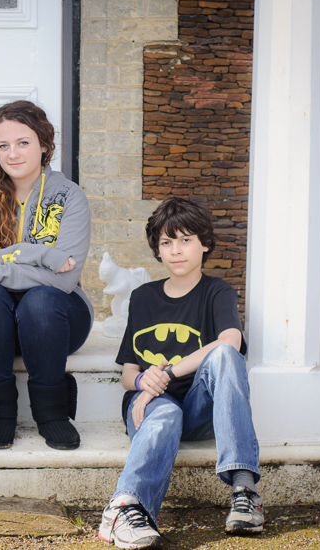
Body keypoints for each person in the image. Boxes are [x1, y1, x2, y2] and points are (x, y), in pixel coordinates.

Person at [98, 197, 263, 549]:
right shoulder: (143, 297)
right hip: (151, 405)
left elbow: (230, 342)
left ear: (205, 244)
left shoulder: (217, 292)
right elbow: (128, 373)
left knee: (225, 355)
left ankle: (244, 491)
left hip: (199, 406)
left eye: (186, 240)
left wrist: (167, 374)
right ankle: (125, 508)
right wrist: (143, 381)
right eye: (166, 242)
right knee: (165, 414)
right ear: (157, 250)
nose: (176, 250)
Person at [0, 100, 92, 451]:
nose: (12, 153)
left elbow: (64, 280)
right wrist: (40, 255)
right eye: (3, 145)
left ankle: (52, 413)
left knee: (40, 301)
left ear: (44, 144)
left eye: (23, 142)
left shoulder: (70, 197)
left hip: (56, 322)